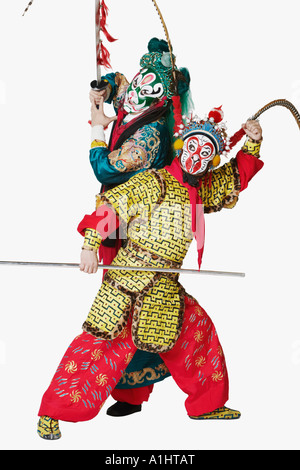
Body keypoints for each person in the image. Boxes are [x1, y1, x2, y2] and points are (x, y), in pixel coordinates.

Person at [37, 106, 263, 439]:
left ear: (211, 160)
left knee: (199, 334)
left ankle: (205, 404)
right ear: (181, 145)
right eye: (192, 148)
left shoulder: (201, 190)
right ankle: (52, 412)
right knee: (95, 348)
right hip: (127, 283)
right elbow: (113, 205)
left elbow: (234, 177)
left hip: (166, 286)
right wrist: (90, 243)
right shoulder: (153, 182)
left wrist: (253, 143)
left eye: (206, 154)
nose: (196, 158)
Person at [87, 37, 194, 416]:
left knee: (134, 308)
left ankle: (133, 392)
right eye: (136, 81)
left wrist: (98, 129)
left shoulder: (149, 136)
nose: (133, 91)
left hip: (136, 226)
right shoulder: (137, 101)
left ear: (160, 96)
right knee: (118, 304)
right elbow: (122, 91)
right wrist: (107, 85)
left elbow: (107, 167)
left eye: (144, 86)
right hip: (116, 219)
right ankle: (118, 387)